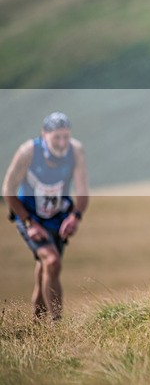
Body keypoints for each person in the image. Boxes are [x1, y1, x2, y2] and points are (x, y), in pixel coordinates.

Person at [2, 112, 89, 321]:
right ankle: (57, 322)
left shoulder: (76, 151)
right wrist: (28, 222)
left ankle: (37, 320)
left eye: (66, 137)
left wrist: (75, 216)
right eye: (56, 137)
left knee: (45, 268)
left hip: (58, 217)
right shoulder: (28, 152)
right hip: (30, 216)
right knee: (52, 261)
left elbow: (83, 190)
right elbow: (8, 191)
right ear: (44, 135)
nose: (62, 143)